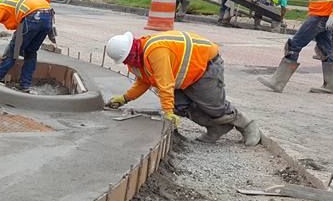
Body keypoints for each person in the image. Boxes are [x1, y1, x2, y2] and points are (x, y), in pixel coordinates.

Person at [104, 30, 261, 146]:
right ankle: (216, 128)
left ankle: (247, 124)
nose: (127, 63)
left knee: (214, 106)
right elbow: (144, 81)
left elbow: (165, 84)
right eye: (124, 61)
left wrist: (167, 113)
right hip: (186, 76)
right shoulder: (136, 61)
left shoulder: (155, 51)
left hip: (204, 64)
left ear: (132, 50)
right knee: (179, 106)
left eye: (127, 59)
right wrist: (125, 99)